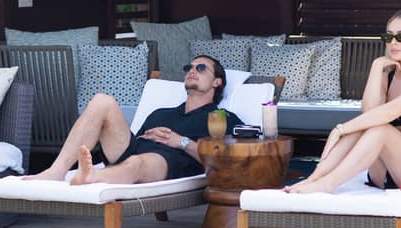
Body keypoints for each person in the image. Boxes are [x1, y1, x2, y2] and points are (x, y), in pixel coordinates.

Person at [284, 10, 401, 194]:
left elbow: (391, 112)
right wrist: (376, 67)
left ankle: (328, 183)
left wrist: (341, 129)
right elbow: (369, 113)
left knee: (380, 129)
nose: (394, 42)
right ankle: (312, 179)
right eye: (388, 37)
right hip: (386, 171)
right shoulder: (387, 76)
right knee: (368, 124)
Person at [22, 54, 243, 185]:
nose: (192, 71)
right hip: (133, 151)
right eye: (189, 67)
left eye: (201, 68)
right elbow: (135, 143)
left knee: (139, 162)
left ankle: (93, 176)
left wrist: (181, 142)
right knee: (102, 101)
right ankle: (57, 170)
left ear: (217, 82)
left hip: (169, 162)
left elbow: (224, 160)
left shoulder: (221, 118)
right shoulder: (161, 113)